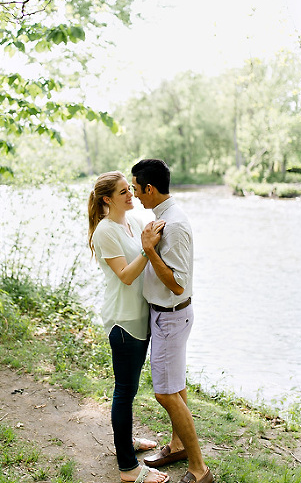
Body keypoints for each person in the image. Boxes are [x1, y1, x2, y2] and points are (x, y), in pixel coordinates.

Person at [130, 159, 214, 483]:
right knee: (176, 387)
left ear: (150, 189)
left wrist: (149, 250)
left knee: (165, 394)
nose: (136, 196)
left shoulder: (174, 224)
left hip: (171, 318)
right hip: (164, 316)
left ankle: (199, 469)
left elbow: (178, 284)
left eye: (137, 190)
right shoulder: (162, 218)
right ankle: (178, 446)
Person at [88, 171, 169, 483]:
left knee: (130, 390)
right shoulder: (105, 232)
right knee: (124, 392)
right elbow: (125, 275)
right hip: (123, 322)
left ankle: (126, 442)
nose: (131, 195)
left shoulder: (133, 222)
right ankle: (128, 468)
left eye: (130, 189)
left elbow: (153, 241)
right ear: (108, 199)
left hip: (141, 317)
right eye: (124, 192)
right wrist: (148, 250)